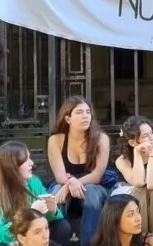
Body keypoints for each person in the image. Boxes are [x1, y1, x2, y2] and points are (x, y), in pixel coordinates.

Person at [0, 141, 71, 246]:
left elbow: (42, 221)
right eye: (25, 160)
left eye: (29, 158)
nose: (31, 163)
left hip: (26, 236)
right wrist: (30, 213)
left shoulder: (33, 182)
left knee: (62, 226)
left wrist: (52, 210)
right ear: (12, 166)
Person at [47, 96, 111, 246]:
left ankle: (90, 243)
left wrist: (72, 183)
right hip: (65, 184)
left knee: (90, 192)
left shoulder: (101, 139)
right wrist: (69, 182)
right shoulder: (55, 140)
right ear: (68, 118)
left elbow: (96, 175)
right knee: (56, 191)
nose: (85, 116)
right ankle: (57, 242)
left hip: (94, 187)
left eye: (88, 112)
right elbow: (59, 175)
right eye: (79, 112)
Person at [114, 116, 153, 244]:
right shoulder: (122, 160)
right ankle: (141, 239)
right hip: (134, 200)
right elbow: (138, 182)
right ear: (132, 142)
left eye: (151, 133)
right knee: (140, 189)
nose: (151, 138)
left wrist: (152, 153)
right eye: (145, 136)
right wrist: (137, 154)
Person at [89, 194, 153, 246]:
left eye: (138, 212)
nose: (138, 218)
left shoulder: (150, 242)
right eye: (131, 214)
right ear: (115, 219)